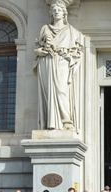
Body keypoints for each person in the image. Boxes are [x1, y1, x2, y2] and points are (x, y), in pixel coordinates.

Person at [34, 0, 83, 131]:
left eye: (59, 10)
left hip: (62, 62)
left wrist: (66, 55)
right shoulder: (45, 28)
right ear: (51, 12)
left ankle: (66, 121)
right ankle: (51, 123)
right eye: (54, 10)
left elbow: (76, 53)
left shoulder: (71, 30)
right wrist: (40, 52)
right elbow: (38, 48)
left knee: (61, 90)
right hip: (47, 62)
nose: (56, 12)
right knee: (49, 92)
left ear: (64, 13)